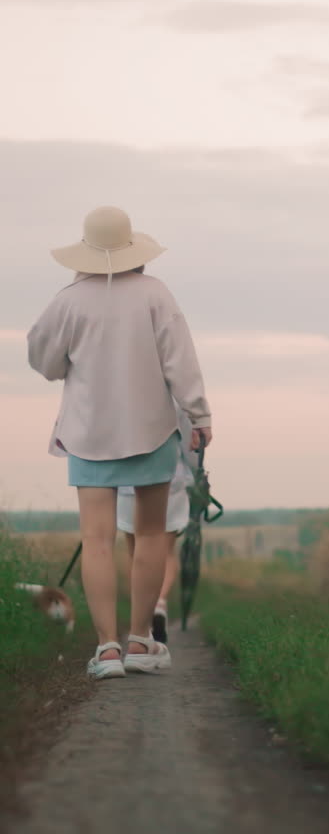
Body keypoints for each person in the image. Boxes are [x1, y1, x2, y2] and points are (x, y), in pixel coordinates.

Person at [27, 206, 213, 679]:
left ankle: (106, 650)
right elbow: (181, 363)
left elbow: (44, 361)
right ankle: (140, 642)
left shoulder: (68, 300)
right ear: (134, 250)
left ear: (86, 252)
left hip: (87, 433)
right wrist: (199, 415)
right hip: (151, 430)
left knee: (96, 541)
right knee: (150, 537)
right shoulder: (156, 293)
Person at [117, 407, 195, 642]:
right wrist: (198, 472)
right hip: (170, 477)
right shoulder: (173, 396)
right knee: (165, 550)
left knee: (135, 553)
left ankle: (142, 618)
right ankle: (159, 601)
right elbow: (190, 441)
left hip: (126, 478)